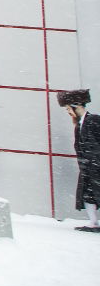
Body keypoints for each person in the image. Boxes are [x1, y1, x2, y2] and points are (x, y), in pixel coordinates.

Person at [57, 89, 100, 233]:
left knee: (95, 192)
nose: (68, 112)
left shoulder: (94, 120)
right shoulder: (79, 125)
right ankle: (93, 222)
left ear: (78, 106)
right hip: (88, 167)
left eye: (69, 109)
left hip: (96, 165)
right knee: (88, 194)